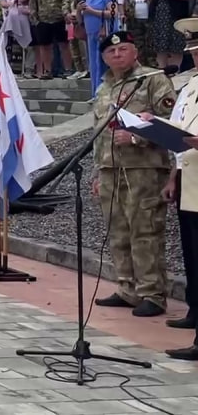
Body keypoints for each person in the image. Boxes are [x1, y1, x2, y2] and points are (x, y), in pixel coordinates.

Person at [90, 31, 175, 318]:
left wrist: (137, 137)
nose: (117, 55)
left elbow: (171, 123)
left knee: (145, 230)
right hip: (111, 169)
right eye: (111, 52)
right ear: (103, 57)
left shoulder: (152, 79)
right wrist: (97, 171)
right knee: (118, 232)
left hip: (145, 169)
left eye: (122, 49)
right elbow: (99, 134)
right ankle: (127, 288)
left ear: (134, 51)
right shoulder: (103, 88)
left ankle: (152, 293)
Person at [164, 18, 198, 359]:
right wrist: (173, 176)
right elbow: (179, 132)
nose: (196, 57)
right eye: (193, 51)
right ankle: (194, 310)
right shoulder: (189, 87)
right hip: (189, 177)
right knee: (191, 250)